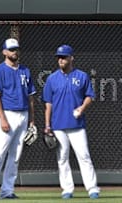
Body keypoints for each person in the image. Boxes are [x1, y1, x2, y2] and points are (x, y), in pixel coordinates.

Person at [0, 38, 36, 199]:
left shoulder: (25, 70)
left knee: (15, 156)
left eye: (16, 49)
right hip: (8, 113)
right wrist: (2, 118)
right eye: (11, 49)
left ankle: (7, 191)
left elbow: (31, 98)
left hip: (23, 115)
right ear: (4, 52)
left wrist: (32, 120)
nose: (14, 52)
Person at [42, 45, 100, 199]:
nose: (60, 60)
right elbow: (48, 104)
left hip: (77, 125)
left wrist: (82, 108)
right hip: (58, 125)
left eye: (64, 57)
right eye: (59, 57)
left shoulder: (81, 76)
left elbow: (89, 96)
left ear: (71, 58)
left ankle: (92, 188)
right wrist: (47, 125)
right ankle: (67, 189)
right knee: (62, 158)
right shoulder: (52, 78)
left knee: (84, 156)